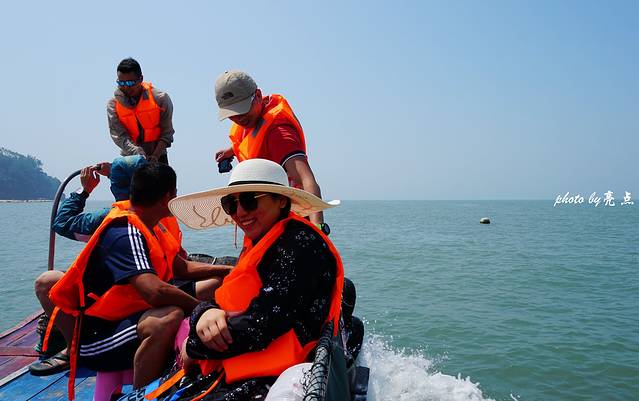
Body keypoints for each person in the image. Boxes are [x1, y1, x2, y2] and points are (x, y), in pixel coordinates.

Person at [33, 164, 229, 395]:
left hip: (130, 313)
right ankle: (143, 395)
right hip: (97, 337)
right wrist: (202, 310)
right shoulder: (125, 230)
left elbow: (180, 266)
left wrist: (229, 270)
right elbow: (154, 292)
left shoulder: (151, 223)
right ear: (168, 197)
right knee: (167, 318)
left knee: (213, 286)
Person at [162, 159, 344, 400]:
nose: (239, 212)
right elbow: (230, 296)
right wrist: (204, 313)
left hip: (269, 375)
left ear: (281, 200)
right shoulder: (263, 241)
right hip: (242, 362)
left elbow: (263, 323)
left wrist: (194, 346)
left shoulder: (300, 245)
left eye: (249, 200)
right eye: (231, 204)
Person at [213, 70, 329, 230]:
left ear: (258, 95)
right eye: (232, 113)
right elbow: (253, 140)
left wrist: (317, 227)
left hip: (288, 223)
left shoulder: (278, 132)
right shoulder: (250, 122)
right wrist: (232, 150)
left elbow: (306, 179)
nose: (239, 117)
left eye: (242, 109)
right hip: (260, 218)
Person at [108, 58, 174, 164]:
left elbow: (167, 133)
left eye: (130, 83)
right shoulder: (113, 105)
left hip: (158, 158)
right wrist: (137, 152)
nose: (126, 87)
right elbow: (119, 136)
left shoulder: (160, 99)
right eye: (121, 83)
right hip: (130, 159)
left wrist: (155, 157)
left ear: (141, 79)